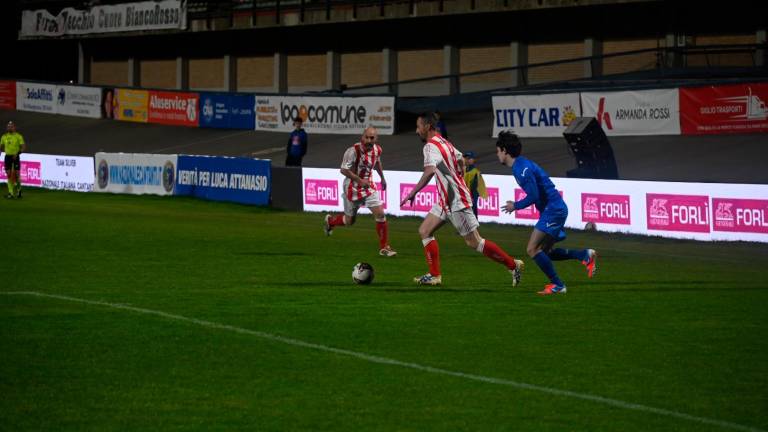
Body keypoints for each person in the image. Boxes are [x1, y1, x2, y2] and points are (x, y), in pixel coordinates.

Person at [400, 113, 523, 286]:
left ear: (427, 126)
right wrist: (459, 177)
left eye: (418, 126)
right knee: (425, 231)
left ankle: (512, 265)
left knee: (474, 242)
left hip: (456, 200)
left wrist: (413, 193)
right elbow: (460, 160)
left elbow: (429, 171)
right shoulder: (444, 142)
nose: (416, 130)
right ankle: (435, 275)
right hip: (446, 199)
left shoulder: (429, 146)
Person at [497, 130, 597, 295]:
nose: (497, 154)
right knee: (546, 252)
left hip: (554, 210)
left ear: (505, 151)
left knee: (532, 249)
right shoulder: (521, 165)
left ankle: (558, 285)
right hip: (553, 209)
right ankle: (584, 255)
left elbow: (534, 195)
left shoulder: (521, 169)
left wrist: (515, 205)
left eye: (498, 151)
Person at [324, 126, 397, 257]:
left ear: (376, 139)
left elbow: (377, 163)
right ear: (362, 137)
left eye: (372, 138)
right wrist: (359, 180)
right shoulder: (353, 151)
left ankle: (384, 247)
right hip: (352, 188)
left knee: (380, 214)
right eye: (366, 137)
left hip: (368, 187)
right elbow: (343, 170)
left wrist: (382, 178)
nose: (369, 140)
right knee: (349, 221)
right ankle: (331, 222)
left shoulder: (377, 150)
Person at [0, 121, 26, 199]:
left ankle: (19, 191)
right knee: (8, 175)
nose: (9, 127)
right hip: (7, 157)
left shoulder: (18, 136)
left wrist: (18, 153)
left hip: (15, 157)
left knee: (17, 175)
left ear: (14, 127)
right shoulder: (4, 136)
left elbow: (23, 147)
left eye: (11, 126)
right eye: (8, 126)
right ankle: (10, 193)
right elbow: (1, 146)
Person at [462, 151, 487, 217]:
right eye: (466, 158)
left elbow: (475, 186)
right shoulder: (464, 170)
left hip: (473, 194)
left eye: (470, 158)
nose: (467, 160)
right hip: (465, 193)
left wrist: (472, 197)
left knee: (473, 208)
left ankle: (475, 222)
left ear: (473, 160)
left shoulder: (475, 172)